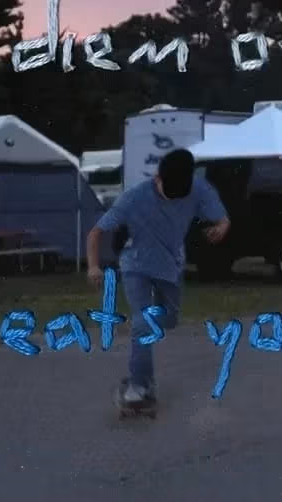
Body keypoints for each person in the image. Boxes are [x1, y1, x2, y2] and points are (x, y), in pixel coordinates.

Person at [85, 149, 229, 410]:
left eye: (179, 195)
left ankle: (142, 368)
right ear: (157, 178)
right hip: (135, 264)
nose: (173, 199)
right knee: (143, 322)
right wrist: (93, 266)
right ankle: (139, 385)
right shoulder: (134, 197)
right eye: (168, 192)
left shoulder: (199, 188)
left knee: (169, 320)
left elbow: (222, 219)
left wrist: (220, 228)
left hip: (171, 266)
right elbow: (96, 232)